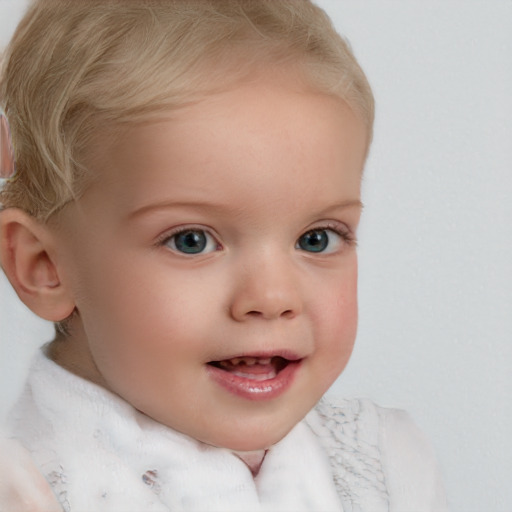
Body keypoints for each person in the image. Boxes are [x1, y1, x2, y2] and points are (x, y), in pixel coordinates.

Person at [0, 0, 448, 510]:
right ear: (44, 267)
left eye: (316, 238)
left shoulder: (386, 462)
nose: (273, 297)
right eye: (192, 240)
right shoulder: (27, 489)